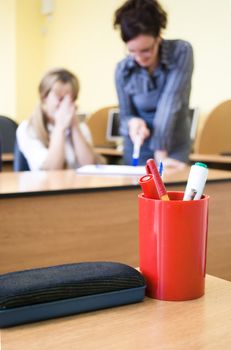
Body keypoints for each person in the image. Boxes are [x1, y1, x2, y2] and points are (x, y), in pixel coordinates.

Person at [114, 0, 194, 168]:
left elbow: (170, 103)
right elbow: (126, 114)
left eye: (146, 50)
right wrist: (133, 122)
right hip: (138, 148)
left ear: (158, 37)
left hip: (172, 145)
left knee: (169, 190)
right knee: (136, 192)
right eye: (132, 51)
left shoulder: (181, 52)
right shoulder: (123, 70)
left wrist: (161, 154)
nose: (139, 58)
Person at [17, 68, 101, 170]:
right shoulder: (28, 129)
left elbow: (89, 166)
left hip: (77, 185)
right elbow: (51, 170)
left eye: (71, 99)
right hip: (45, 185)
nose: (66, 104)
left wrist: (74, 125)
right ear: (44, 97)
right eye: (60, 98)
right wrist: (60, 126)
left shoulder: (82, 128)